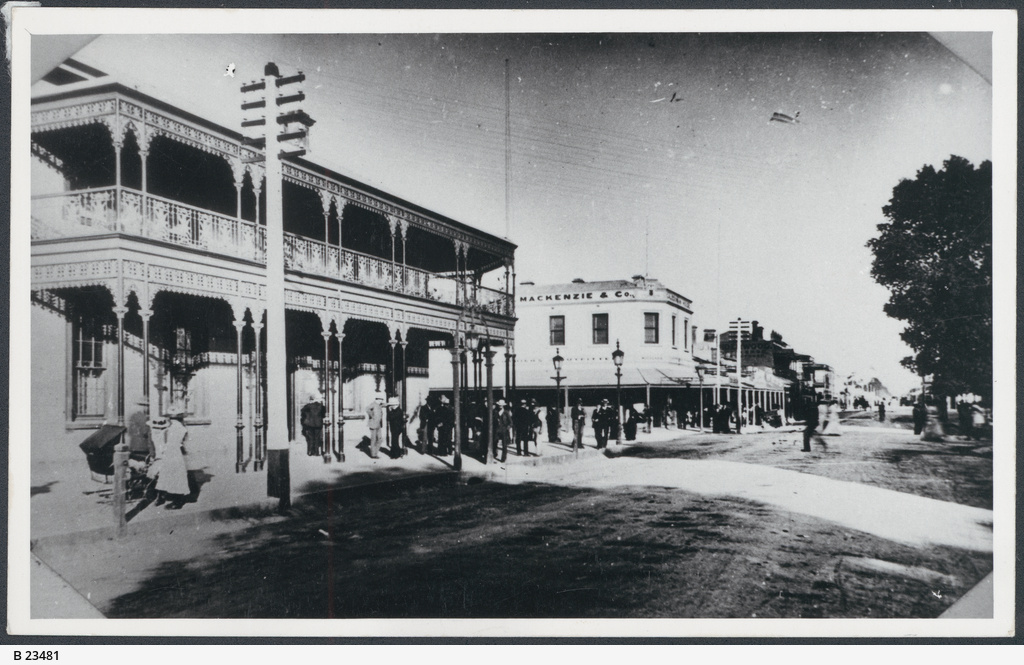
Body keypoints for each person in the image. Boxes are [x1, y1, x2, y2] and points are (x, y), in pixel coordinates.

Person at [152, 406, 191, 509]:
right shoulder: (176, 426)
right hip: (171, 452)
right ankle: (162, 496)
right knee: (166, 474)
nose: (171, 419)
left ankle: (177, 501)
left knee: (174, 475)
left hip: (173, 453)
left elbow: (172, 442)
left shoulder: (176, 427)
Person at [365, 393, 385, 459]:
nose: (382, 401)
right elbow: (367, 409)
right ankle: (373, 454)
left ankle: (375, 452)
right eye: (381, 400)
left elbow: (385, 404)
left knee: (380, 439)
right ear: (378, 399)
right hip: (373, 424)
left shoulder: (379, 405)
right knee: (373, 439)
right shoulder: (373, 404)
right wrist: (372, 415)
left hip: (378, 424)